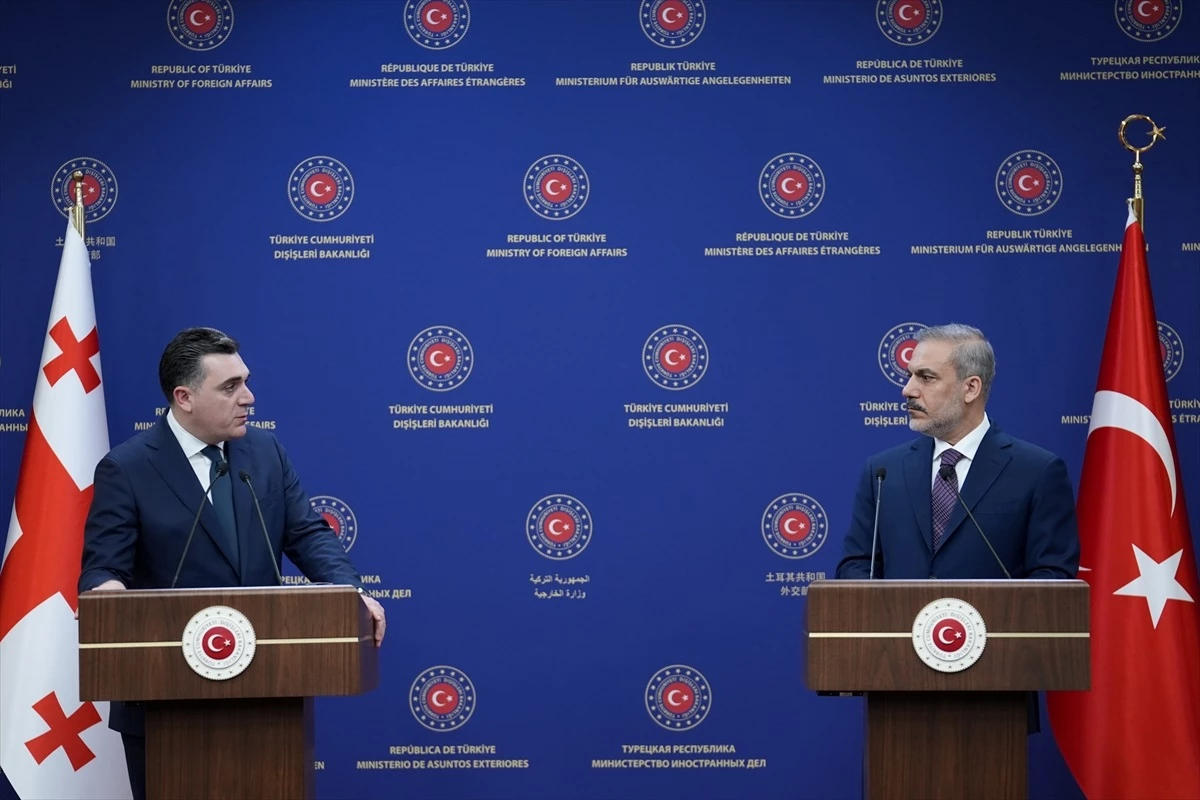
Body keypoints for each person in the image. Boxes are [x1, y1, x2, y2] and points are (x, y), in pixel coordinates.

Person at [78, 327, 386, 800]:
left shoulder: (265, 452)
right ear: (184, 397)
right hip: (164, 702)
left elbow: (307, 534)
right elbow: (105, 568)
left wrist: (352, 593)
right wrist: (109, 599)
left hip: (267, 694)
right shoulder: (128, 468)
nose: (248, 397)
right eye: (230, 387)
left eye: (245, 381)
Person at [836, 323, 1079, 581]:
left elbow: (1053, 579)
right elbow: (856, 566)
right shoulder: (883, 471)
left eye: (926, 377)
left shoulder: (1037, 472)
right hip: (898, 611)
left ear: (971, 388)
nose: (908, 390)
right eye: (910, 375)